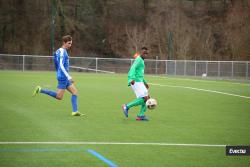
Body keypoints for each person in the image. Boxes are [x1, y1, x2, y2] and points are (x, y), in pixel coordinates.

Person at [32, 35, 84, 116]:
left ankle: (75, 111)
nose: (70, 45)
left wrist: (59, 73)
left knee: (75, 92)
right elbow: (61, 65)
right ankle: (40, 90)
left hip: (62, 75)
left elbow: (57, 65)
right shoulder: (62, 51)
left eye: (71, 43)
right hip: (63, 77)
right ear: (64, 43)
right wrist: (68, 76)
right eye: (69, 43)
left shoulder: (58, 51)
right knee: (59, 97)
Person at [122, 47, 150, 121]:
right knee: (145, 98)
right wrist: (131, 78)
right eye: (144, 53)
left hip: (139, 81)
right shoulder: (138, 60)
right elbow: (133, 68)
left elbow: (140, 74)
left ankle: (140, 115)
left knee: (147, 98)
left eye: (147, 53)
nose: (146, 55)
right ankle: (126, 106)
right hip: (135, 81)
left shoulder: (142, 61)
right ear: (141, 53)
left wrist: (145, 82)